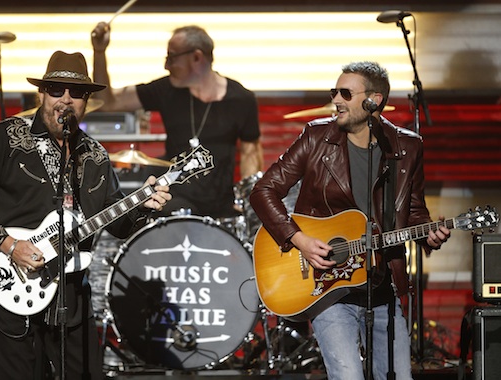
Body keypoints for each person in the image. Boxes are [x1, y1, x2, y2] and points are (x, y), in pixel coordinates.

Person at [0, 50, 171, 380]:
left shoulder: (94, 156)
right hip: (9, 287)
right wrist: (9, 245)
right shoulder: (7, 137)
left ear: (86, 101)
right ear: (42, 94)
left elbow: (118, 223)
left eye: (76, 93)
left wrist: (143, 207)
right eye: (56, 90)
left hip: (70, 297)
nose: (65, 100)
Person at [249, 61, 451, 380]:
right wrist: (298, 239)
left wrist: (430, 235)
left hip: (382, 288)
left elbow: (413, 212)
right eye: (335, 92)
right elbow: (263, 191)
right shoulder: (317, 137)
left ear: (375, 101)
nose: (336, 100)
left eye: (345, 93)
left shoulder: (407, 148)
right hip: (327, 288)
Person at [91, 23, 263, 219]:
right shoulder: (166, 90)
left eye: (171, 57)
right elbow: (107, 103)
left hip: (221, 208)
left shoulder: (241, 99)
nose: (166, 65)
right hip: (174, 202)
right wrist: (99, 52)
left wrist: (249, 202)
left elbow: (251, 155)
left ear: (197, 57)